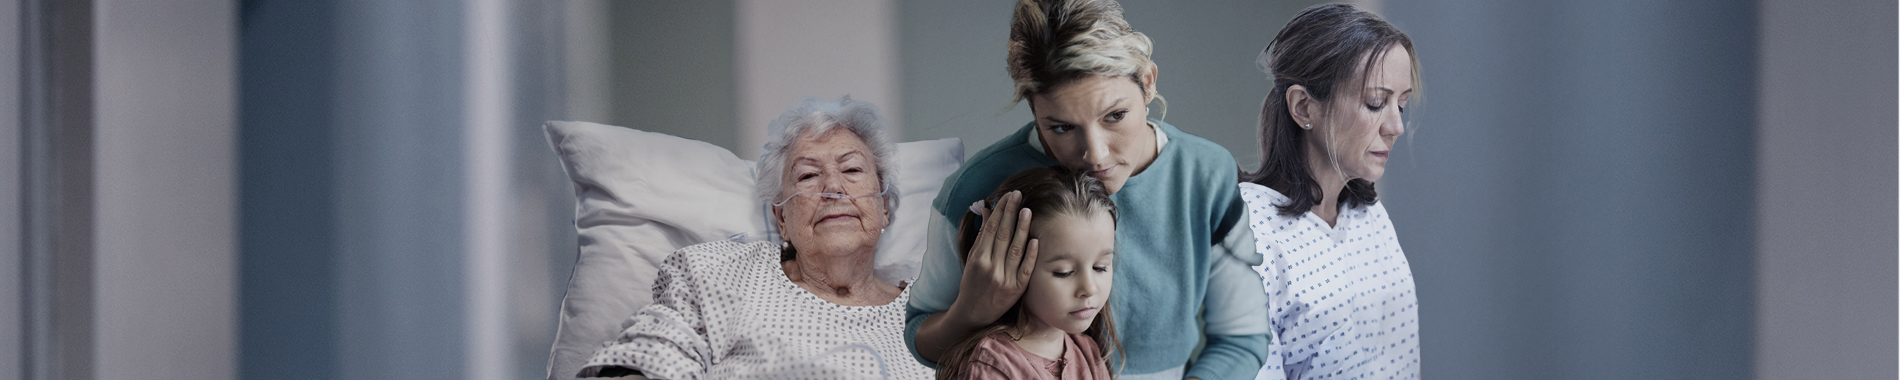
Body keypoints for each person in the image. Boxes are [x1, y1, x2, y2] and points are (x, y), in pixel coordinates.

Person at [905, 0, 1271, 379]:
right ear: (1032, 108)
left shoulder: (1207, 175)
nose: (1095, 155)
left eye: (1115, 115)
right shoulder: (976, 187)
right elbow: (920, 336)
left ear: (1147, 82)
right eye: (1062, 127)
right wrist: (969, 312)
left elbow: (1240, 337)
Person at [576, 96, 933, 380]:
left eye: (852, 169)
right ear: (782, 219)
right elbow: (650, 360)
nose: (833, 188)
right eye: (808, 176)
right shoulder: (724, 276)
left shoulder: (936, 316)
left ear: (884, 208)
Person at [1240, 4, 1421, 379]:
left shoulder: (1370, 219)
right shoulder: (1250, 228)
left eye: (1400, 104)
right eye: (1375, 102)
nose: (1396, 126)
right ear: (1304, 107)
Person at [935, 167, 1123, 380]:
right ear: (1010, 264)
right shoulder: (992, 365)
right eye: (1064, 272)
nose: (1089, 288)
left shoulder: (1087, 351)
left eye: (1100, 267)